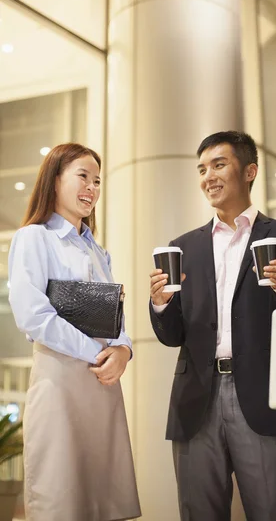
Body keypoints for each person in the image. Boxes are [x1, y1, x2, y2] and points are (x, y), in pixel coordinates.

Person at [149, 131, 276, 521]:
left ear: (250, 171)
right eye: (202, 169)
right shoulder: (183, 248)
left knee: (272, 512)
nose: (209, 176)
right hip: (195, 403)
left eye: (219, 165)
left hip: (265, 397)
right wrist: (160, 304)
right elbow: (172, 335)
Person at [8, 143, 141, 521]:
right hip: (60, 384)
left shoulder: (98, 252)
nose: (92, 187)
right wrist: (96, 353)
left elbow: (114, 316)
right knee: (60, 499)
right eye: (83, 176)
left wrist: (124, 350)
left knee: (102, 501)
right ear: (54, 180)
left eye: (97, 180)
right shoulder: (34, 238)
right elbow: (34, 317)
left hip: (102, 387)